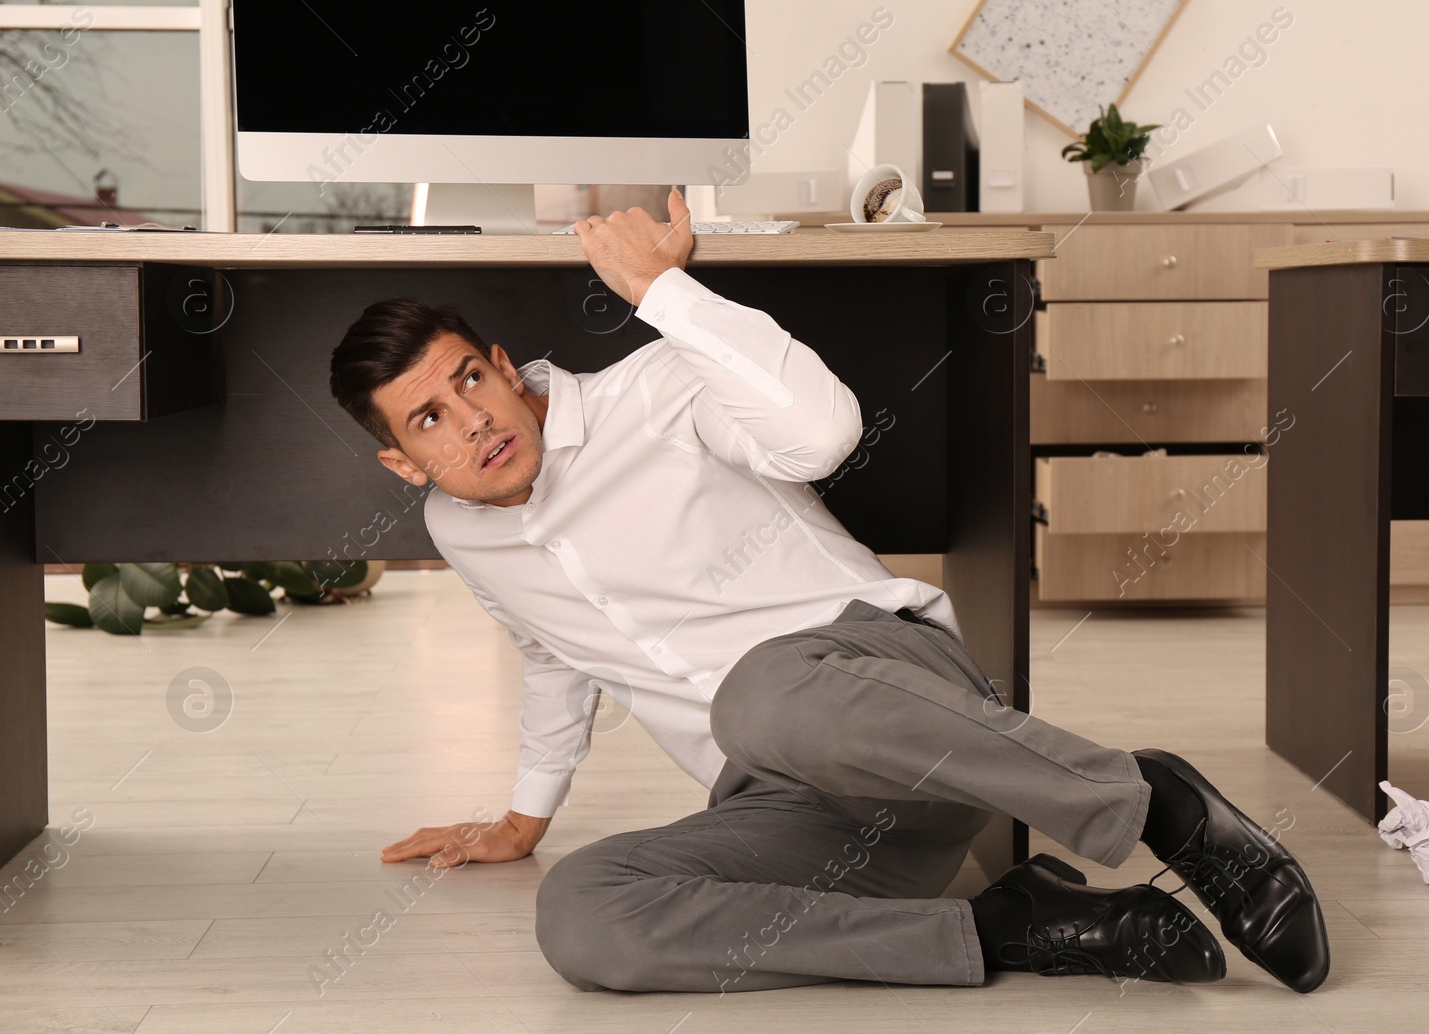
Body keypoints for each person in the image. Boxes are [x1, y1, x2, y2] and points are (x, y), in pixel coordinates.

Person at [327, 190, 1330, 994]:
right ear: (403, 464)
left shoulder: (661, 389)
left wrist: (668, 293)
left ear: (504, 366)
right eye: (428, 419)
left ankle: (1156, 805)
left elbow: (823, 435)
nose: (471, 422)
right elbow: (552, 653)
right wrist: (524, 817)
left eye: (470, 380)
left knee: (760, 696)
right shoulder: (460, 527)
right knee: (585, 914)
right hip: (799, 802)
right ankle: (1010, 926)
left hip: (884, 691)